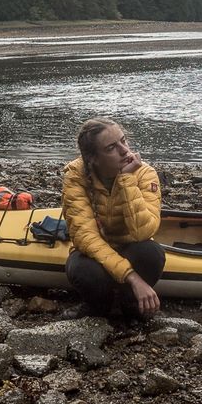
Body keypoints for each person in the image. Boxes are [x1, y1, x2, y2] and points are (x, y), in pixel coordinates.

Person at [61, 118, 163, 318]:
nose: (125, 151)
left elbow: (144, 231)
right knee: (84, 271)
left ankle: (131, 306)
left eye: (123, 141)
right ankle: (98, 308)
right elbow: (85, 238)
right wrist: (132, 277)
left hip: (130, 245)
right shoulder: (75, 176)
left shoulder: (144, 173)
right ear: (94, 159)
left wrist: (126, 180)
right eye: (111, 148)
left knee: (152, 253)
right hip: (95, 253)